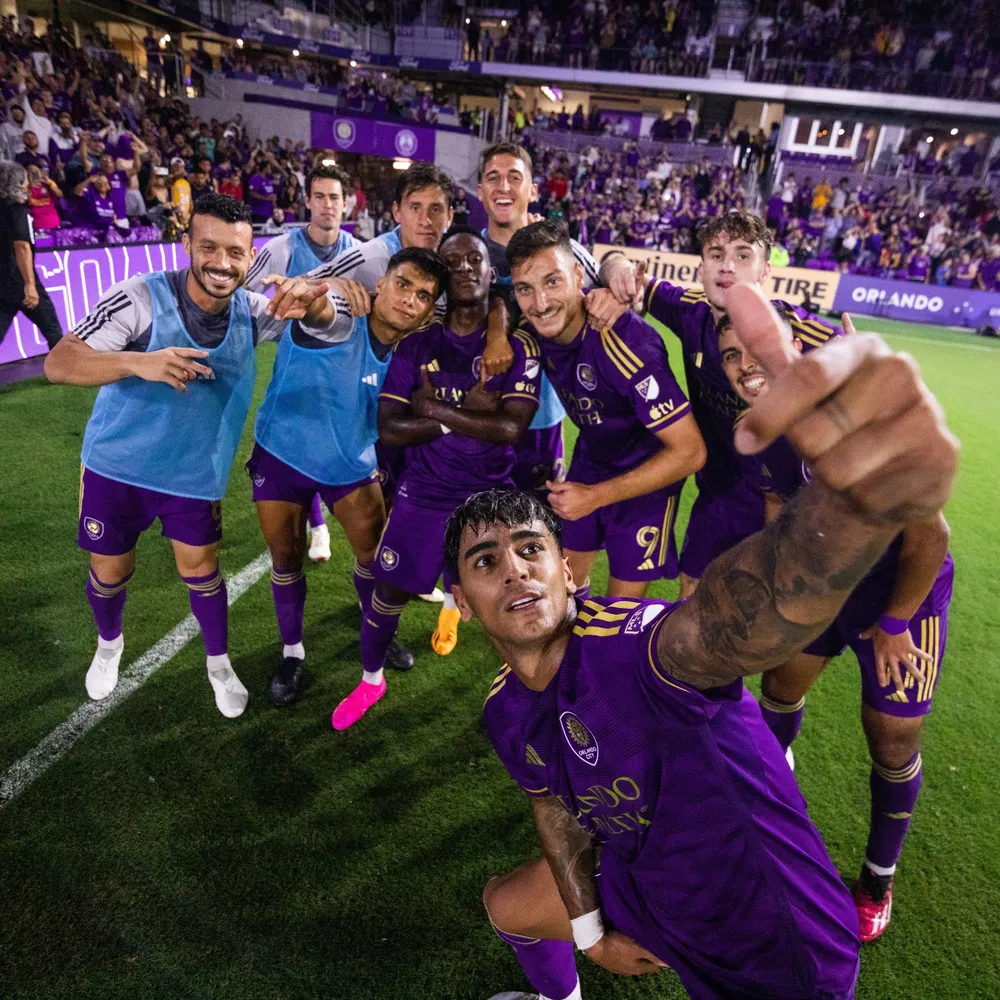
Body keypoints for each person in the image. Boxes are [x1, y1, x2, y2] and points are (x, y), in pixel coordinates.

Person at [451, 282, 959, 1000]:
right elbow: (553, 803)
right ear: (462, 606)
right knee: (507, 905)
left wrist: (855, 505)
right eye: (485, 561)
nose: (514, 572)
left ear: (568, 570)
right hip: (642, 886)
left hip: (772, 939)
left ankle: (879, 876)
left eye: (531, 549)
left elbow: (759, 605)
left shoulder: (650, 648)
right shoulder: (505, 706)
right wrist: (591, 931)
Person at [42, 194, 346, 718]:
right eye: (208, 247)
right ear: (187, 245)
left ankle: (218, 663)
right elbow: (60, 362)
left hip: (192, 476)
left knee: (201, 568)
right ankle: (109, 645)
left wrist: (316, 301)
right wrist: (141, 362)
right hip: (117, 468)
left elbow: (327, 326)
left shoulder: (255, 313)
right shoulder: (138, 297)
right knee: (110, 571)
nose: (221, 263)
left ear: (250, 258)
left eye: (235, 252)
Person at [717, 309, 954, 942]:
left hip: (904, 590)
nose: (743, 367)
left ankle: (878, 875)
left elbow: (931, 536)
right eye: (729, 359)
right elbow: (776, 512)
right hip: (825, 584)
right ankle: (769, 800)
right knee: (777, 692)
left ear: (794, 350)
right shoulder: (764, 434)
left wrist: (897, 621)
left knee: (893, 738)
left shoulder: (848, 415)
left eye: (751, 352)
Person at [330, 228, 541, 730]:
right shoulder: (417, 344)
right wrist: (457, 415)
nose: (465, 267)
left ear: (493, 275)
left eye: (475, 259)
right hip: (423, 496)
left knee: (508, 606)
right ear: (442, 278)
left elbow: (510, 426)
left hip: (490, 502)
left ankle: (531, 694)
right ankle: (370, 680)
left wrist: (435, 407)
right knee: (387, 596)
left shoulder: (516, 346)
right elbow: (391, 430)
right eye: (453, 262)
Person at [595, 211, 841, 600]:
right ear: (701, 267)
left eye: (743, 255)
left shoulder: (805, 332)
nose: (727, 265)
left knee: (764, 618)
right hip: (719, 493)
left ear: (764, 272)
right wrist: (620, 268)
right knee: (693, 599)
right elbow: (611, 264)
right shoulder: (689, 310)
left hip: (788, 503)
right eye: (716, 253)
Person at [247, 242, 444, 705]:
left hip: (351, 464)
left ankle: (371, 627)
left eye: (422, 295)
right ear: (381, 284)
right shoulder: (342, 316)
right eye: (402, 284)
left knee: (374, 556)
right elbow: (319, 312)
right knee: (287, 558)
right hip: (282, 456)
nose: (408, 299)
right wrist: (311, 293)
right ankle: (293, 654)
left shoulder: (412, 353)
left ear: (428, 311)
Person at [508, 221, 706, 599]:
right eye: (525, 289)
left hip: (649, 478)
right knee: (560, 590)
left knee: (619, 613)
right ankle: (570, 651)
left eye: (553, 282)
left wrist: (596, 496)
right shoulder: (535, 328)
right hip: (593, 458)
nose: (541, 303)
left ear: (578, 276)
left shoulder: (626, 342)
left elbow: (691, 451)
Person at [247, 164, 359, 562]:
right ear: (307, 201)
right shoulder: (282, 249)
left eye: (335, 198)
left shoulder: (357, 253)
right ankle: (318, 527)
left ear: (347, 204)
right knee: (298, 448)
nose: (327, 205)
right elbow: (247, 295)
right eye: (320, 197)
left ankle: (324, 524)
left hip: (342, 377)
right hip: (295, 373)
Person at [0, 162, 62, 352]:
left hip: (2, 280)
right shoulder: (18, 210)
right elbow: (22, 246)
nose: (28, 184)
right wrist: (29, 284)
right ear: (19, 182)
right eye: (26, 179)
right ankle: (67, 369)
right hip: (18, 278)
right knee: (52, 329)